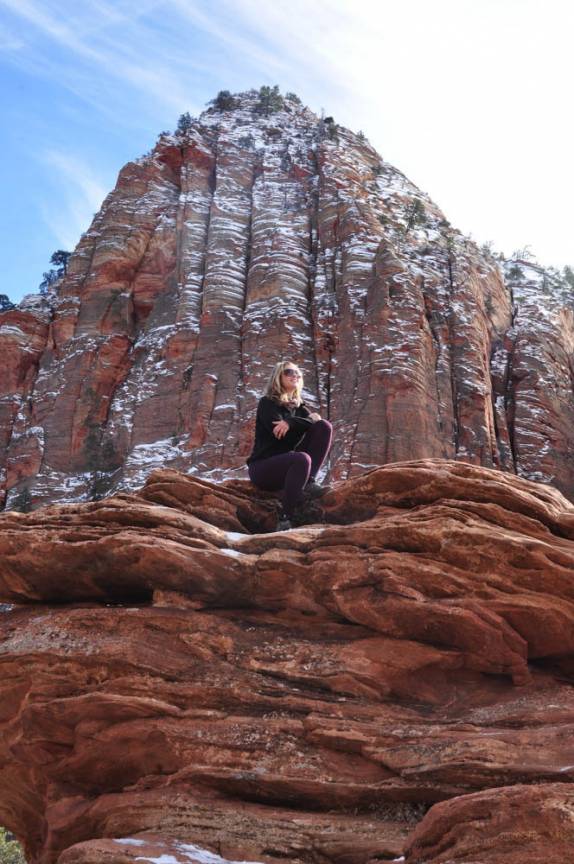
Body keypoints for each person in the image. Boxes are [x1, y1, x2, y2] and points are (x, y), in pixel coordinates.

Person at [247, 360, 333, 531]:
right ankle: (285, 517)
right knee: (301, 459)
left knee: (324, 427)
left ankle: (308, 482)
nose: (295, 375)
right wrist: (300, 422)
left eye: (298, 373)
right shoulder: (267, 403)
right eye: (289, 372)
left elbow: (316, 420)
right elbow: (279, 433)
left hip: (291, 466)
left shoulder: (299, 406)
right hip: (264, 468)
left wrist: (290, 422)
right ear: (278, 377)